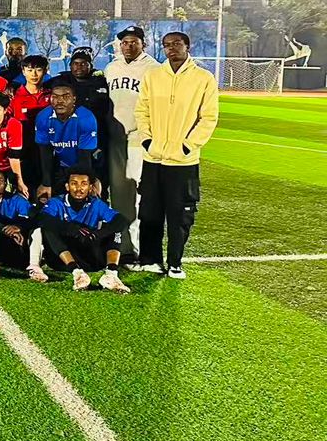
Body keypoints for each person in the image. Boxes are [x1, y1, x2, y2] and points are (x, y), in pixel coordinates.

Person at [134, 30, 219, 279]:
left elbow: (209, 117)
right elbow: (143, 111)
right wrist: (148, 141)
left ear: (187, 46)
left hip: (183, 161)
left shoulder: (204, 78)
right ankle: (150, 259)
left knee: (180, 215)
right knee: (149, 212)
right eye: (167, 45)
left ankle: (175, 262)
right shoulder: (153, 76)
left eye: (176, 44)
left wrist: (188, 145)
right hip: (154, 158)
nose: (171, 48)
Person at [104, 26, 158, 260]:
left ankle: (132, 248)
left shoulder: (154, 69)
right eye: (124, 42)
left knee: (134, 195)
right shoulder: (111, 68)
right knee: (116, 194)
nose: (128, 45)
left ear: (143, 44)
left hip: (137, 139)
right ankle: (119, 244)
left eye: (133, 41)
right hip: (113, 139)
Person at [38, 170, 130, 293]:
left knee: (116, 228)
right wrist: (71, 229)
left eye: (84, 184)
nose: (79, 188)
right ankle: (77, 274)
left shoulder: (95, 203)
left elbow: (121, 220)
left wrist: (99, 233)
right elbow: (42, 218)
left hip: (90, 254)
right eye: (74, 183)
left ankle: (111, 274)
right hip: (63, 259)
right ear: (67, 186)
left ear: (90, 187)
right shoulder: (57, 202)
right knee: (48, 228)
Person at [47, 47, 112, 181]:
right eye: (75, 63)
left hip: (97, 139)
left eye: (83, 63)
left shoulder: (102, 82)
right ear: (70, 65)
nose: (79, 67)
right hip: (68, 140)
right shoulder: (61, 81)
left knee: (96, 179)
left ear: (91, 65)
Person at [34, 82, 99, 204]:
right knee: (48, 200)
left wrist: (88, 182)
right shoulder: (43, 117)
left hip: (87, 162)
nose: (60, 101)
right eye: (55, 96)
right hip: (60, 165)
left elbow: (84, 156)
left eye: (65, 96)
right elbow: (45, 152)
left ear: (74, 99)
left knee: (86, 198)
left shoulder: (86, 118)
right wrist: (46, 183)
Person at [8, 54, 52, 195]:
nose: (34, 74)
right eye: (29, 69)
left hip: (47, 153)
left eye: (38, 70)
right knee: (23, 195)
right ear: (23, 71)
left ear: (45, 71)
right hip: (23, 155)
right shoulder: (14, 97)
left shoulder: (52, 96)